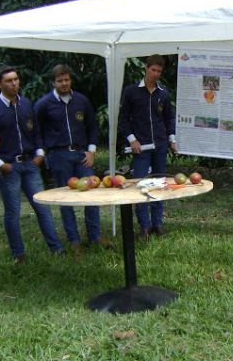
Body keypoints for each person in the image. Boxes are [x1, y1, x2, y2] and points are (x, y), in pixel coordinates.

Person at [0, 65, 64, 264]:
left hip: (30, 164)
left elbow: (36, 131)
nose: (14, 83)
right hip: (9, 167)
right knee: (13, 212)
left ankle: (56, 248)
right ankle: (18, 254)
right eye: (9, 80)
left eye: (16, 79)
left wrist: (40, 153)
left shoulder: (26, 104)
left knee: (43, 207)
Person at [34, 64, 110, 251]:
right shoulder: (44, 104)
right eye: (60, 81)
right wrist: (43, 152)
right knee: (65, 198)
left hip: (82, 154)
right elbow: (37, 131)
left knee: (91, 195)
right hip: (58, 155)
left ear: (71, 80)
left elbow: (92, 126)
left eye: (66, 79)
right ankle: (74, 240)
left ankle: (95, 236)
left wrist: (91, 151)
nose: (64, 83)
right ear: (53, 83)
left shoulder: (81, 101)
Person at [118, 54, 177, 238]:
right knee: (142, 184)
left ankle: (157, 223)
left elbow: (169, 118)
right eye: (153, 70)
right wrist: (132, 139)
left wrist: (172, 139)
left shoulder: (163, 93)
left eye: (159, 71)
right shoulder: (131, 91)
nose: (156, 74)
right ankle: (144, 225)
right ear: (146, 67)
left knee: (159, 183)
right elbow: (123, 118)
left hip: (160, 145)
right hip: (141, 147)